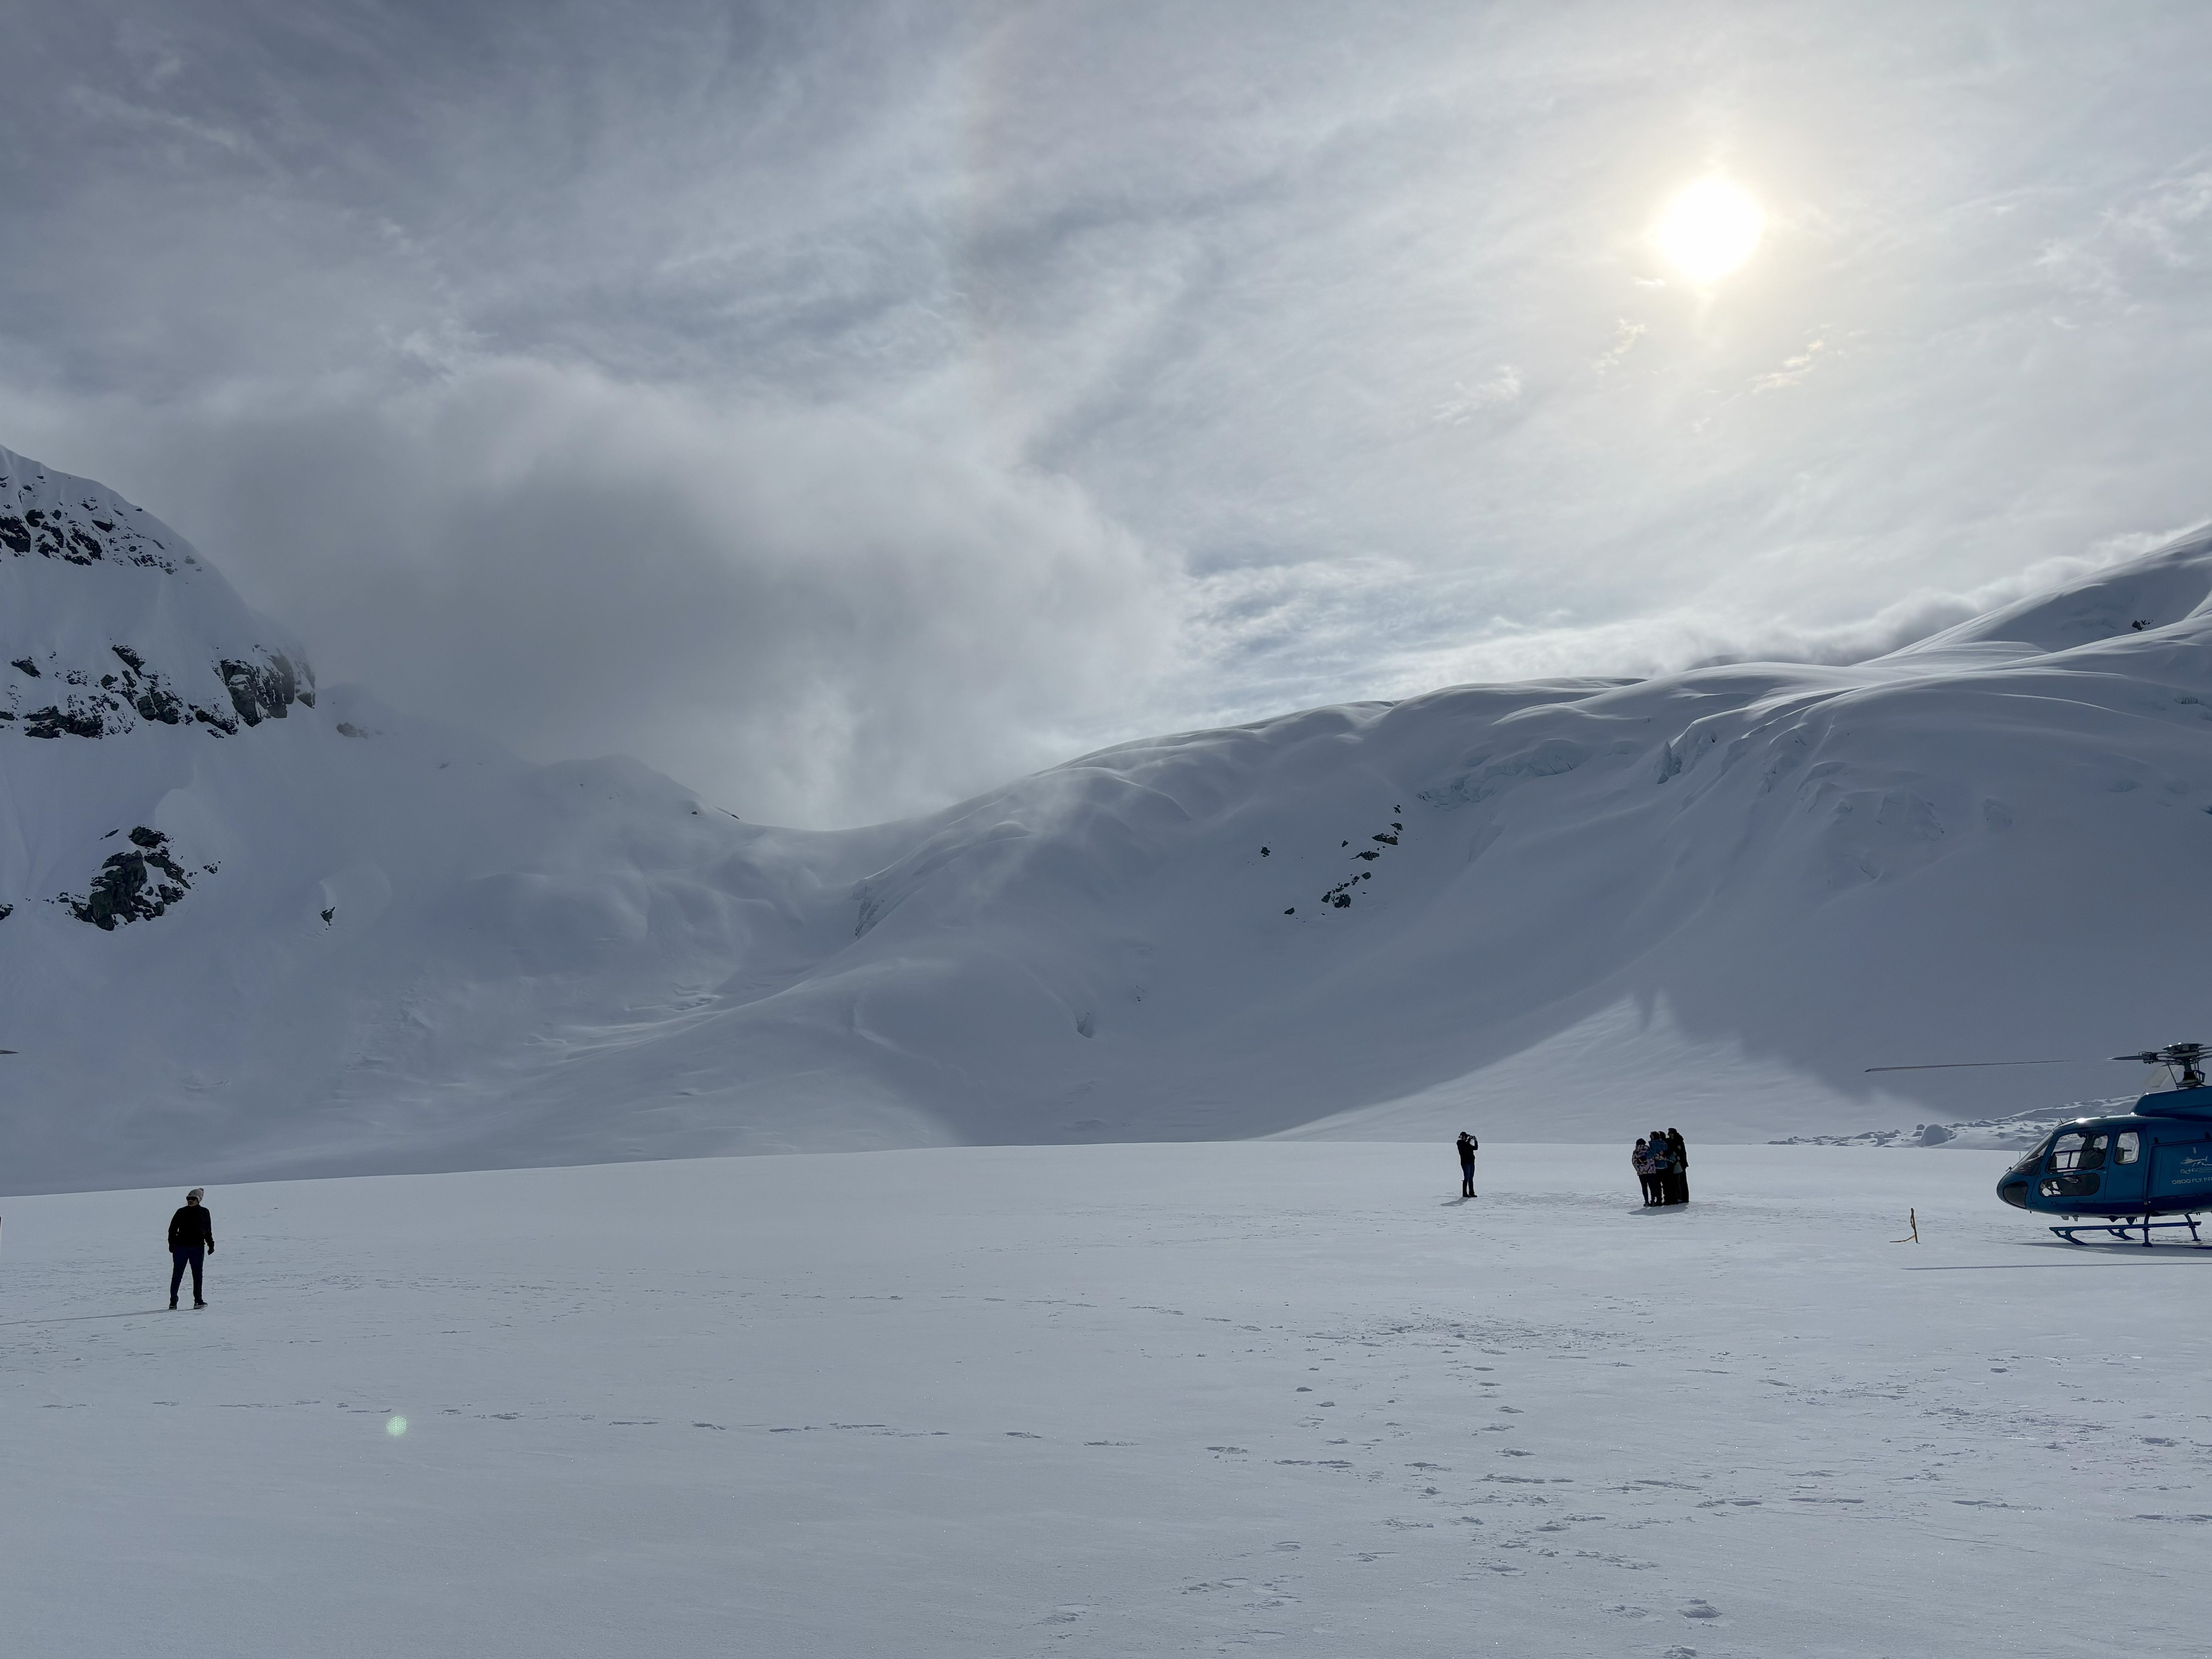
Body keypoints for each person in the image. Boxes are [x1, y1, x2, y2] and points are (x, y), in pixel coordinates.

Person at [168, 1188, 213, 1309]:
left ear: (199, 1200)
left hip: (198, 1248)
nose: (190, 1200)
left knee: (198, 1275)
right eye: (188, 1198)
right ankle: (173, 1302)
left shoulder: (204, 1212)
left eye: (193, 1198)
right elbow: (172, 1229)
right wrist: (172, 1244)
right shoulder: (181, 1212)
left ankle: (198, 1301)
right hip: (181, 1248)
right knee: (177, 1274)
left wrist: (211, 1244)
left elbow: (208, 1230)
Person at [1665, 1128, 1689, 1205]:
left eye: (1670, 1133)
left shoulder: (1678, 1140)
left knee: (1682, 1181)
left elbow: (1681, 1152)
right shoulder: (1674, 1140)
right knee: (1679, 1181)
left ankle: (1684, 1198)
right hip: (1677, 1163)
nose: (1669, 1135)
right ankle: (1681, 1197)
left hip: (1681, 1164)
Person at [1632, 1137, 1657, 1206]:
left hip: (1642, 1173)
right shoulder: (1649, 1150)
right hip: (1651, 1172)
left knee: (1644, 1187)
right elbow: (1655, 1158)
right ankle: (1653, 1201)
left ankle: (1646, 1202)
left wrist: (1639, 1169)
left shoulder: (1636, 1152)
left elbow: (1634, 1162)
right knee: (1652, 1187)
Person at [1455, 1131, 1478, 1197]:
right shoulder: (1460, 1143)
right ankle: (1465, 1193)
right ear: (1463, 1137)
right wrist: (1470, 1139)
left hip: (1471, 1163)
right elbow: (1465, 1146)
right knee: (1467, 1178)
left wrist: (1475, 1141)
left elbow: (1476, 1148)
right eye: (1466, 1137)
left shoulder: (1467, 1144)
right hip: (1465, 1163)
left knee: (1471, 1178)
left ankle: (1472, 1193)